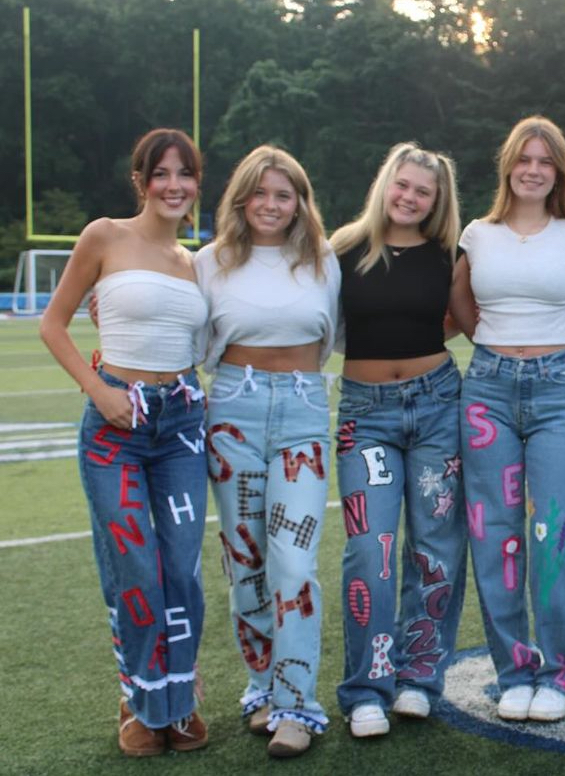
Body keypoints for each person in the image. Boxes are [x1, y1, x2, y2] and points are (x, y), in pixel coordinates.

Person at [40, 128, 210, 756]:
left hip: (182, 427)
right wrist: (99, 389)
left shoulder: (194, 262)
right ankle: (141, 701)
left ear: (197, 184)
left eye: (185, 174)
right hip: (116, 424)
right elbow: (53, 324)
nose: (174, 185)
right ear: (141, 181)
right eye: (161, 173)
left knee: (182, 572)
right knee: (135, 568)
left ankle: (180, 698)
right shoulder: (104, 235)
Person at [450, 116, 565, 724]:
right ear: (507, 165)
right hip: (487, 390)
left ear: (558, 171)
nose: (533, 169)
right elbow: (460, 302)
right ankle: (514, 670)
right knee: (496, 538)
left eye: (545, 161)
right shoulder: (477, 233)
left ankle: (558, 673)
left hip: (559, 392)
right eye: (523, 159)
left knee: (555, 539)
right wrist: (492, 343)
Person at [197, 145, 340, 758]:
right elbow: (191, 334)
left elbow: (332, 337)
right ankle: (260, 688)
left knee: (294, 564)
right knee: (245, 559)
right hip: (233, 409)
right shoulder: (209, 262)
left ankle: (298, 705)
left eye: (284, 195)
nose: (272, 205)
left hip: (303, 409)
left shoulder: (323, 261)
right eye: (261, 193)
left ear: (300, 203)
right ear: (241, 199)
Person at [330, 142, 470, 738]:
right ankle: (366, 686)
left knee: (435, 546)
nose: (410, 198)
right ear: (385, 184)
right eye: (403, 185)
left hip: (438, 404)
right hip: (365, 416)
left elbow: (473, 317)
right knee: (371, 549)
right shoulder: (341, 250)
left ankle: (418, 678)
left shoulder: (449, 255)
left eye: (424, 191)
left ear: (438, 201)